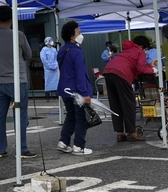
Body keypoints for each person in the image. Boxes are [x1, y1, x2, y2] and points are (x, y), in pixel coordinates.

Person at [0, 6, 35, 160]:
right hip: (17, 81)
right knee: (20, 116)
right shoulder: (18, 35)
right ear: (11, 20)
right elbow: (29, 54)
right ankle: (22, 148)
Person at [103, 38, 153, 141]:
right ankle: (132, 132)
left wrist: (149, 65)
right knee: (129, 103)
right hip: (121, 74)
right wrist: (153, 69)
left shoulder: (126, 51)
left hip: (108, 71)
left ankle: (120, 132)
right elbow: (141, 68)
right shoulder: (140, 52)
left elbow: (134, 65)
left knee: (115, 103)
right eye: (146, 49)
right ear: (142, 47)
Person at [57, 21, 94, 155]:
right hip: (76, 91)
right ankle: (79, 146)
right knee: (81, 117)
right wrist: (85, 94)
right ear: (72, 35)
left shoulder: (62, 50)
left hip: (64, 89)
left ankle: (64, 142)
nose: (80, 33)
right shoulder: (77, 52)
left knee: (71, 116)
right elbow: (80, 74)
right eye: (78, 31)